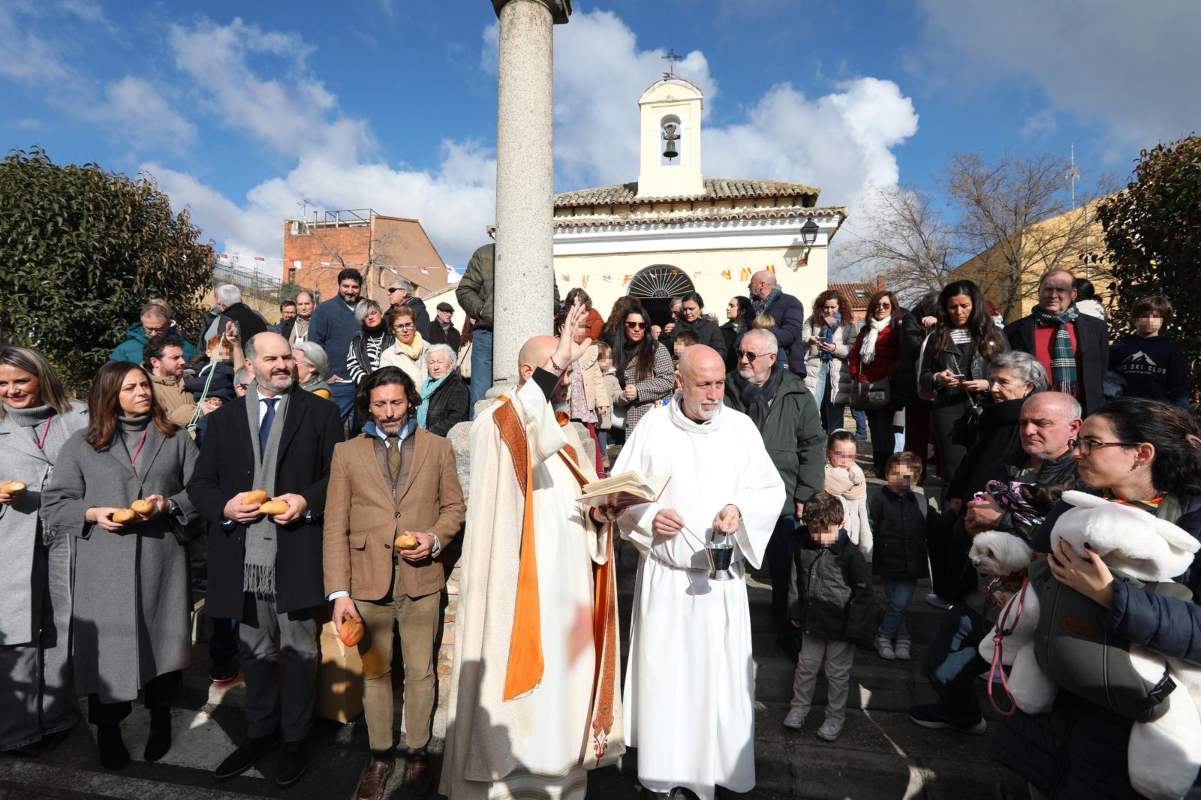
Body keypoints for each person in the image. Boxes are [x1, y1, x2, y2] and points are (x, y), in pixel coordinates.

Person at [440, 302, 624, 800]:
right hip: (517, 593)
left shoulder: (566, 436)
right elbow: (518, 429)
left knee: (563, 702)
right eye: (559, 371)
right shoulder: (494, 421)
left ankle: (563, 780)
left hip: (567, 595)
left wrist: (601, 517)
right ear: (531, 372)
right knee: (517, 708)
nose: (567, 381)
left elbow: (578, 505)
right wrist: (556, 360)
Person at [993, 398, 1201, 798]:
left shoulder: (1191, 519)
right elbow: (1041, 568)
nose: (1077, 452)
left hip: (1131, 731)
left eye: (1092, 443)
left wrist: (1112, 597)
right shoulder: (1077, 503)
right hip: (1055, 717)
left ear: (1141, 453)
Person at [614, 344, 784, 799]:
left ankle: (717, 769)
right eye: (703, 384)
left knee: (717, 677)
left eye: (719, 383)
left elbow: (770, 488)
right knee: (668, 679)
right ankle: (666, 775)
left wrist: (739, 508)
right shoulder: (651, 427)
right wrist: (651, 517)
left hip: (719, 582)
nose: (713, 393)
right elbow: (620, 493)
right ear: (679, 383)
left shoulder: (741, 428)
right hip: (668, 579)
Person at [187, 332, 343, 787]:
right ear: (250, 365)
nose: (281, 365)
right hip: (241, 556)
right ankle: (260, 731)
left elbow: (340, 476)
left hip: (295, 552)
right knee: (253, 653)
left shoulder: (322, 412)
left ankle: (295, 740)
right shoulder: (226, 419)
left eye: (286, 357)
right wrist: (226, 508)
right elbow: (201, 484)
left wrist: (307, 500)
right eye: (270, 358)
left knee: (299, 651)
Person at [42, 361, 199, 769]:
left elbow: (200, 492)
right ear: (109, 395)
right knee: (106, 654)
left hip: (160, 562)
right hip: (103, 568)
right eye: (130, 388)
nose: (142, 393)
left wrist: (170, 504)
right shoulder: (81, 444)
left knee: (163, 647)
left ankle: (161, 719)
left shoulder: (175, 438)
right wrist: (93, 513)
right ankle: (108, 731)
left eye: (144, 385)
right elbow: (55, 504)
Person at [324, 367, 465, 799]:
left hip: (421, 580)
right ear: (368, 404)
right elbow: (335, 525)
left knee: (422, 673)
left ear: (411, 401)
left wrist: (434, 539)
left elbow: (455, 508)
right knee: (375, 673)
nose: (388, 412)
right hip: (366, 584)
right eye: (379, 404)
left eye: (396, 402)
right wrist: (339, 592)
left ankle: (419, 751)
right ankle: (380, 755)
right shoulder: (346, 453)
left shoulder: (438, 448)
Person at [911, 391, 1082, 735]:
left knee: (1028, 695)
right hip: (982, 596)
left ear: (1073, 428)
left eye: (1041, 423)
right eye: (1023, 422)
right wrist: (971, 523)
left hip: (1037, 607)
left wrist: (1001, 521)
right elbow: (977, 517)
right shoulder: (1007, 464)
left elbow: (1063, 541)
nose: (1029, 430)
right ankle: (961, 714)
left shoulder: (1081, 480)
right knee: (939, 667)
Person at [0, 347, 87, 756]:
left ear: (41, 376)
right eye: (3, 383)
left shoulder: (79, 417)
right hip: (10, 539)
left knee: (63, 624)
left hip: (67, 536)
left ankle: (57, 715)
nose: (12, 391)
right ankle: (15, 727)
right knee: (15, 631)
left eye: (21, 381)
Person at [723, 329, 825, 652]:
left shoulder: (796, 394)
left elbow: (813, 445)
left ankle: (787, 628)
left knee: (785, 569)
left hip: (780, 496)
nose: (743, 360)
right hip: (732, 495)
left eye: (751, 355)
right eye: (741, 353)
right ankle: (726, 631)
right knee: (728, 564)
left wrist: (806, 495)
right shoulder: (724, 390)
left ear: (771, 357)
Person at [784, 492, 874, 741]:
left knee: (837, 673)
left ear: (842, 524)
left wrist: (854, 627)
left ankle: (835, 717)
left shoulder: (850, 554)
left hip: (841, 626)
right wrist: (794, 609)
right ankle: (799, 708)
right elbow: (795, 581)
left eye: (826, 531)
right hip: (811, 622)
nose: (821, 538)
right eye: (815, 531)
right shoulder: (803, 547)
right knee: (806, 667)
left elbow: (865, 592)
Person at [919, 280, 1008, 486]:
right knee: (953, 470)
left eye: (964, 306)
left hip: (988, 407)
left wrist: (987, 384)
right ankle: (954, 513)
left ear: (975, 305)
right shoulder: (936, 337)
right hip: (948, 410)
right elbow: (924, 377)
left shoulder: (995, 334)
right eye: (952, 307)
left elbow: (1010, 373)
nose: (958, 312)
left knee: (986, 466)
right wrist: (937, 378)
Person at [944, 351, 1048, 508]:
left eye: (1003, 382)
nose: (993, 389)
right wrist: (958, 493)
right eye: (992, 381)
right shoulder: (992, 414)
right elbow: (972, 457)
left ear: (1028, 386)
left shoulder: (1030, 424)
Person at [1005, 269, 1108, 415]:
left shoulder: (1095, 327)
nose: (1053, 295)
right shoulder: (1015, 330)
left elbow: (1102, 370)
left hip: (1085, 413)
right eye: (1048, 289)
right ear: (1039, 291)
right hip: (1034, 412)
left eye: (1060, 290)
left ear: (1073, 294)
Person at [869, 452, 931, 662]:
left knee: (899, 603)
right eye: (895, 474)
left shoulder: (920, 501)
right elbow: (871, 526)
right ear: (887, 474)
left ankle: (884, 635)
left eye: (906, 477)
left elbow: (931, 526)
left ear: (915, 479)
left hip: (912, 561)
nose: (899, 481)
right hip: (887, 558)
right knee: (896, 602)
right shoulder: (879, 498)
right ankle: (903, 637)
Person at [848, 290, 907, 472]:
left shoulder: (897, 329)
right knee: (874, 427)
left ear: (892, 307)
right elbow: (855, 355)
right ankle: (878, 464)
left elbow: (901, 356)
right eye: (877, 305)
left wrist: (887, 374)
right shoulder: (866, 329)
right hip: (866, 384)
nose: (880, 308)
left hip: (886, 385)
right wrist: (856, 375)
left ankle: (887, 467)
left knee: (886, 428)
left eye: (885, 305)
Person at [1108, 294, 1190, 406]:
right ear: (1135, 319)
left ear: (1163, 320)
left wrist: (1179, 414)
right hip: (1123, 410)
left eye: (1156, 317)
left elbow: (1180, 387)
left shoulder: (1171, 350)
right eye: (1145, 316)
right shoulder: (1120, 347)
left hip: (1158, 412)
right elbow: (1107, 379)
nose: (1150, 320)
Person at [308, 268, 364, 425]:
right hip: (338, 384)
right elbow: (314, 345)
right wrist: (326, 373)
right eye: (345, 286)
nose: (350, 291)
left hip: (363, 384)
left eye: (354, 287)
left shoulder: (366, 308)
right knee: (331, 427)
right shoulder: (324, 310)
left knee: (360, 434)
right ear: (339, 286)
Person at [801, 289, 856, 433]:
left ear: (840, 307)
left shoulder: (848, 325)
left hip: (837, 372)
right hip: (815, 368)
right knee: (812, 409)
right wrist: (809, 340)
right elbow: (801, 340)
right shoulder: (812, 320)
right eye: (826, 307)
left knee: (835, 412)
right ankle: (814, 445)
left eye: (833, 307)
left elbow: (852, 349)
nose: (829, 310)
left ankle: (834, 448)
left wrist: (835, 348)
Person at [616, 304, 674, 435]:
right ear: (624, 325)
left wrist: (638, 390)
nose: (637, 329)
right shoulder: (618, 351)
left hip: (652, 418)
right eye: (632, 324)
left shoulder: (657, 348)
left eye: (641, 325)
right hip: (623, 419)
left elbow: (667, 380)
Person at [565, 313, 609, 475]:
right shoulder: (562, 349)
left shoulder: (590, 351)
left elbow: (597, 378)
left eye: (585, 326)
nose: (582, 330)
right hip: (569, 401)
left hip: (585, 401)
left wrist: (602, 401)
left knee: (589, 433)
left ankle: (596, 472)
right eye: (579, 326)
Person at [458, 241, 495, 414]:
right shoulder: (484, 254)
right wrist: (484, 310)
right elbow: (464, 290)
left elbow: (553, 296)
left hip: (529, 335)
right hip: (487, 332)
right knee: (480, 400)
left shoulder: (539, 250)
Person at [745, 270, 805, 376]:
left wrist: (759, 339)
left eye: (751, 283)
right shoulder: (751, 308)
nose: (748, 286)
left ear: (762, 284)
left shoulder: (790, 302)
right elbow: (744, 332)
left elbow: (790, 333)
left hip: (786, 368)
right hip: (755, 368)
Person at [824, 430, 872, 558]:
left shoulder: (858, 476)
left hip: (855, 533)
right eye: (839, 454)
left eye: (850, 456)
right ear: (829, 452)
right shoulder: (824, 475)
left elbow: (864, 511)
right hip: (831, 535)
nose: (845, 461)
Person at [109, 302, 197, 364]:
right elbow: (112, 377)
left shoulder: (185, 347)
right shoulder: (125, 350)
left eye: (159, 329)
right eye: (149, 329)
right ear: (142, 323)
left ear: (168, 324)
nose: (153, 333)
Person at [145, 333, 198, 427]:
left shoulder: (191, 378)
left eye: (182, 356)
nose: (183, 362)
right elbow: (160, 426)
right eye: (175, 358)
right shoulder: (145, 389)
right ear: (155, 362)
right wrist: (198, 410)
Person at [417, 343, 470, 436]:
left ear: (451, 364)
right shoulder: (426, 388)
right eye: (432, 362)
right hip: (424, 439)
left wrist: (428, 434)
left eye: (440, 362)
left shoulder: (457, 387)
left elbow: (456, 419)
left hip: (441, 442)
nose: (436, 367)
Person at [661, 291, 727, 360]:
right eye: (685, 309)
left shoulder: (711, 328)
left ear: (700, 308)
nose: (688, 312)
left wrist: (706, 360)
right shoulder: (677, 327)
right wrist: (665, 335)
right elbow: (666, 350)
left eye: (691, 309)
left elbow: (721, 351)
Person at [379, 305, 428, 392]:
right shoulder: (388, 356)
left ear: (414, 326)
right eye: (400, 326)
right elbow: (388, 388)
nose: (405, 330)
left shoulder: (429, 349)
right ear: (393, 330)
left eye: (408, 324)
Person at [345, 300, 393, 386]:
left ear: (381, 313)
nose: (370, 317)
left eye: (373, 313)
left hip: (391, 386)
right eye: (366, 315)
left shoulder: (393, 337)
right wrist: (367, 381)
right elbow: (352, 365)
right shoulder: (357, 340)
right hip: (366, 390)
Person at [721, 296, 752, 372]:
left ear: (743, 311)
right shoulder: (721, 330)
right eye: (729, 305)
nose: (727, 308)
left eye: (732, 306)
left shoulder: (751, 331)